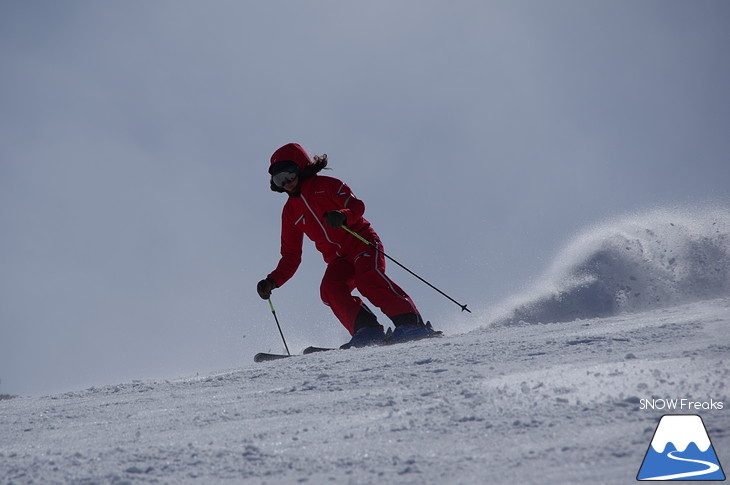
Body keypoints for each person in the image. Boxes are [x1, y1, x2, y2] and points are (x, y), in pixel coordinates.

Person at [257, 142, 434, 348]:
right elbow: (291, 255)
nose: (286, 182)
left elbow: (357, 206)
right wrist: (273, 281)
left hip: (361, 242)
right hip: (339, 259)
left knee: (368, 279)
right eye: (279, 179)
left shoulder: (327, 185)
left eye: (289, 173)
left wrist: (343, 216)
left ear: (301, 167)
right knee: (330, 288)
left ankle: (411, 324)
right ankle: (366, 330)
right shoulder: (290, 213)